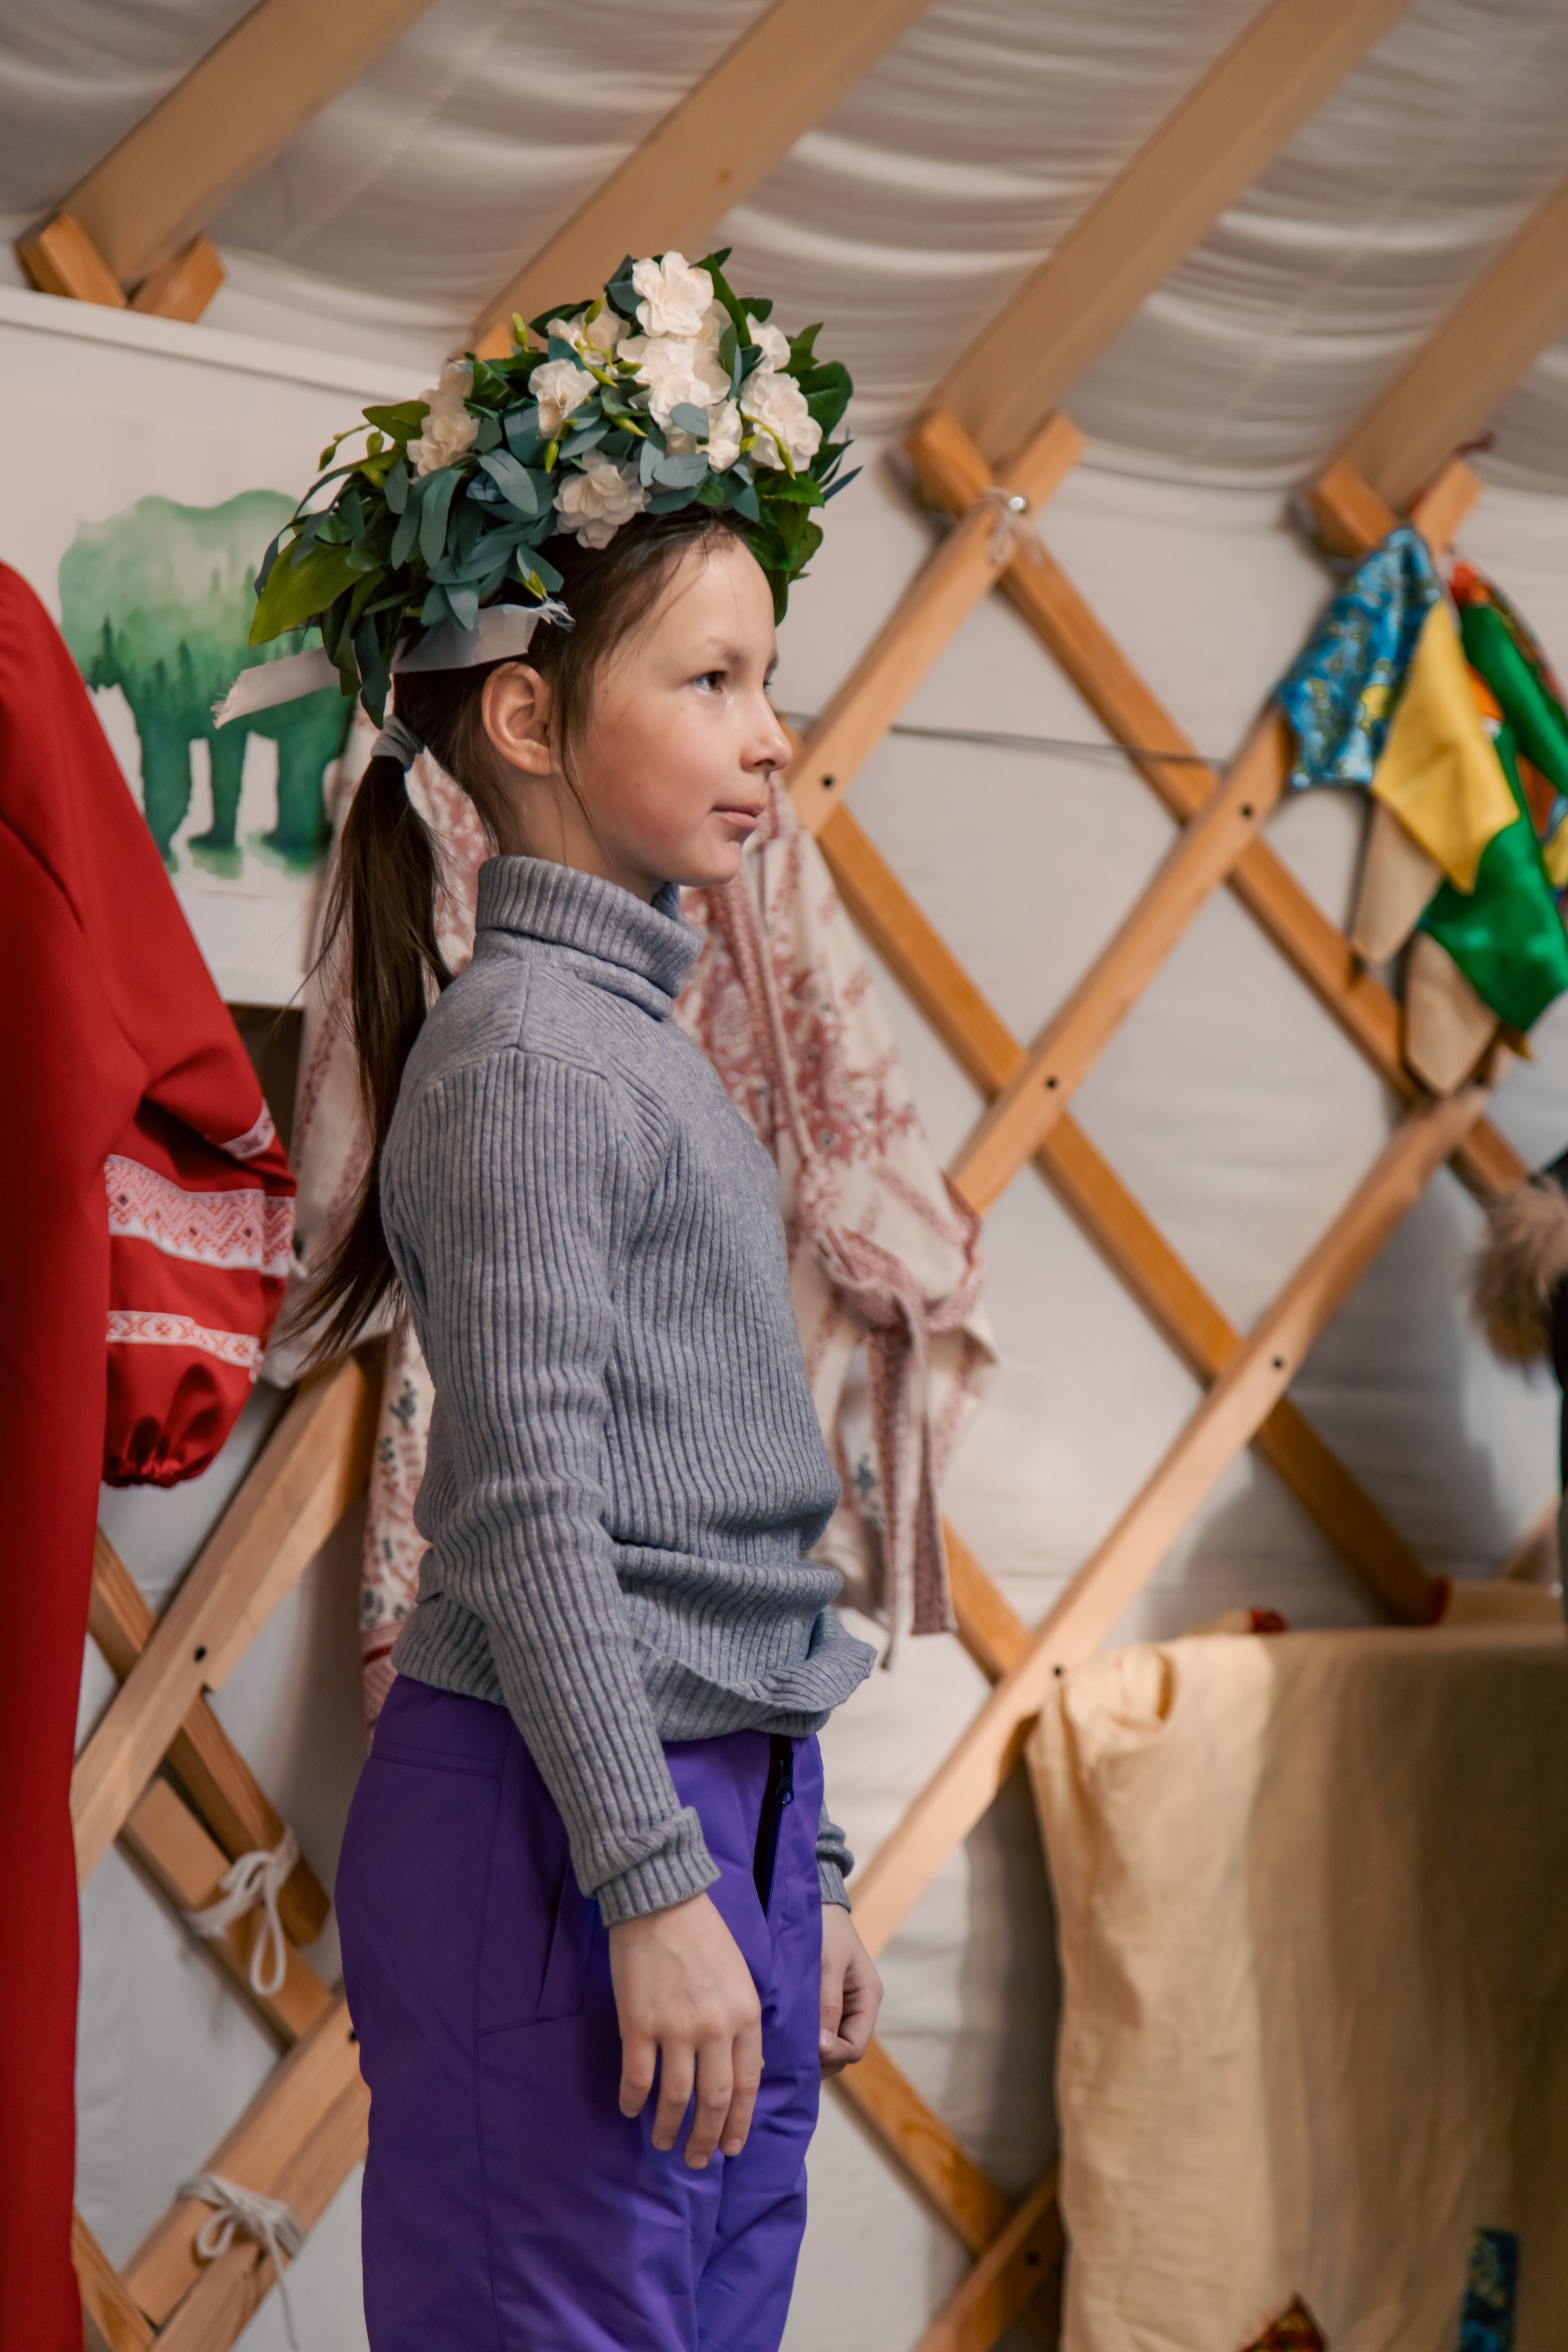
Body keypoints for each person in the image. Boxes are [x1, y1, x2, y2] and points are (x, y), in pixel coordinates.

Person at [227, 252, 880, 2350]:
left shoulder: (642, 1041)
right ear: (526, 716)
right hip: (571, 1824)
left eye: (766, 680)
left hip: (714, 1814)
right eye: (710, 682)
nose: (771, 738)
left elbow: (729, 1519)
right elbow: (528, 1512)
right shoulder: (521, 1056)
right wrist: (656, 1887)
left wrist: (812, 1870)